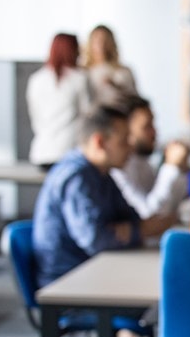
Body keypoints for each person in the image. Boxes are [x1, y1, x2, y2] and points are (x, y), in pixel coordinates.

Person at [32, 106, 176, 288]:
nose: (131, 148)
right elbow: (96, 240)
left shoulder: (102, 173)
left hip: (97, 272)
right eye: (124, 142)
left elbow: (131, 217)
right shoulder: (76, 177)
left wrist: (130, 228)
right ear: (100, 142)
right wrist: (140, 230)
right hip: (69, 284)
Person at [110, 96, 190, 220]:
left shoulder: (142, 161)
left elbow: (171, 207)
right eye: (147, 127)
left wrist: (180, 168)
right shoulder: (118, 169)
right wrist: (171, 167)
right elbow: (147, 216)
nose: (154, 132)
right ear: (126, 130)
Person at [26, 33, 91, 169]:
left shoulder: (36, 79)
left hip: (42, 152)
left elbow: (35, 117)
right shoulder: (79, 78)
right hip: (70, 152)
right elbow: (88, 115)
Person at [84, 24, 139, 108]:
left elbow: (136, 101)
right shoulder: (83, 73)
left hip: (120, 116)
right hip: (93, 118)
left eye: (105, 40)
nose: (101, 44)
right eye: (97, 40)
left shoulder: (124, 72)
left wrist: (117, 87)